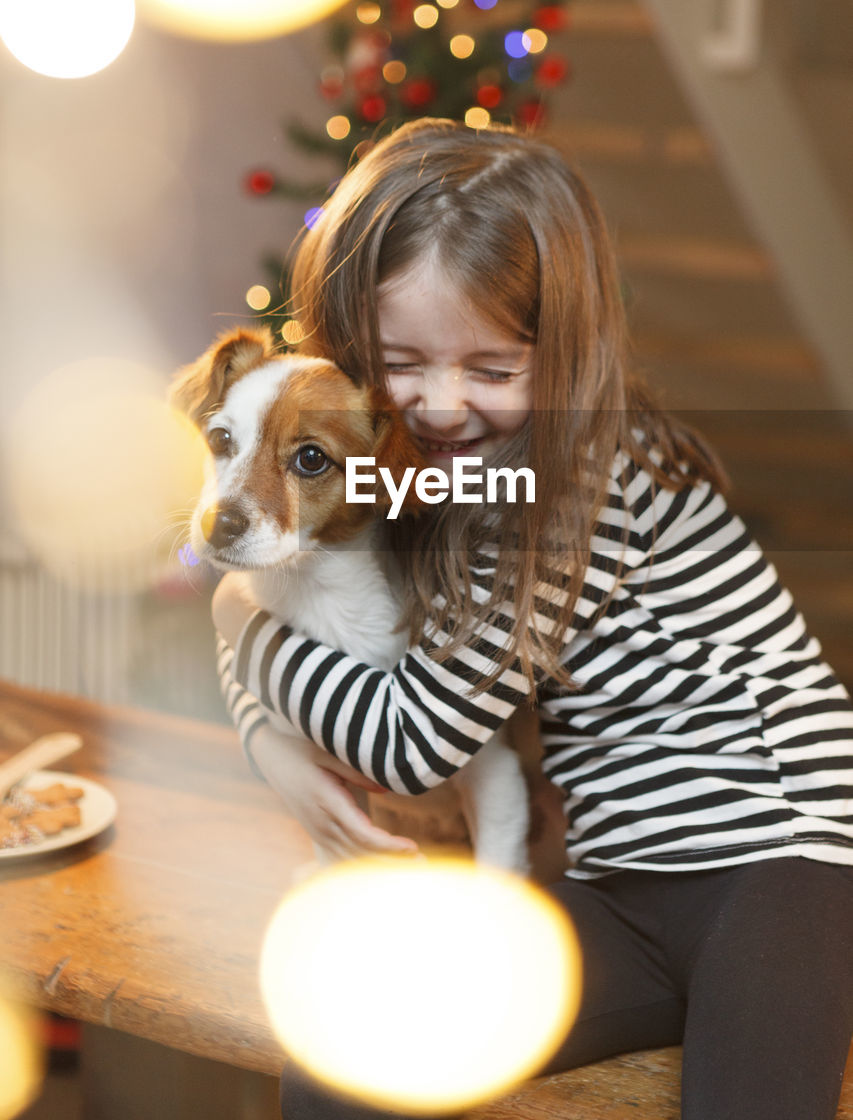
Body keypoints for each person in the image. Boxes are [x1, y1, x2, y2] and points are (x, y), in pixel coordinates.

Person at [212, 118, 853, 1120]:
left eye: (492, 368)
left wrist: (232, 618)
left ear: (561, 354)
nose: (442, 403)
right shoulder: (401, 469)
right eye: (401, 362)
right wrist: (271, 742)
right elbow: (322, 619)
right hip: (623, 883)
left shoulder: (577, 485)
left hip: (780, 862)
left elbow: (411, 740)